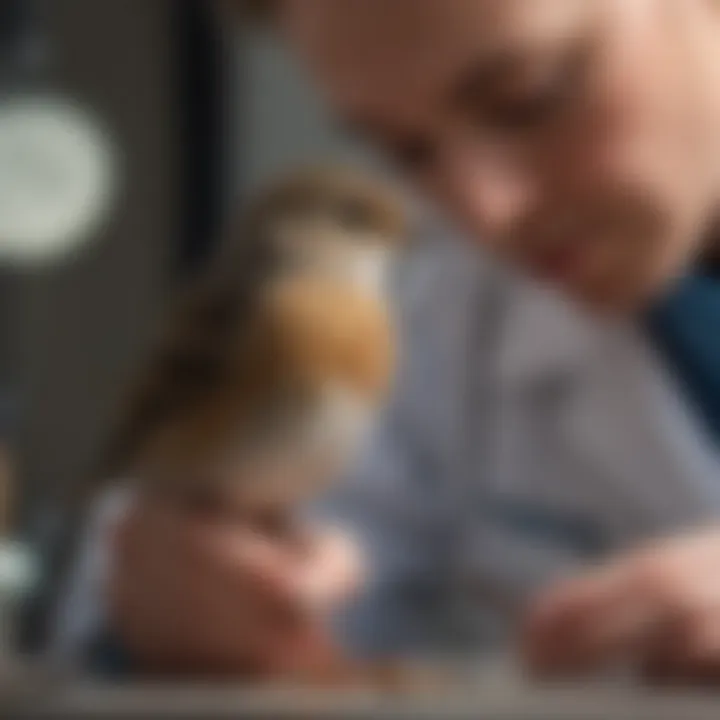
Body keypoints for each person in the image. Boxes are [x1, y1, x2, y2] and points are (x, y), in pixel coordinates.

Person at [53, 0, 720, 683]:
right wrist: (178, 605)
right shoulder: (425, 322)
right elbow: (140, 603)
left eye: (529, 99)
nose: (488, 213)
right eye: (407, 152)